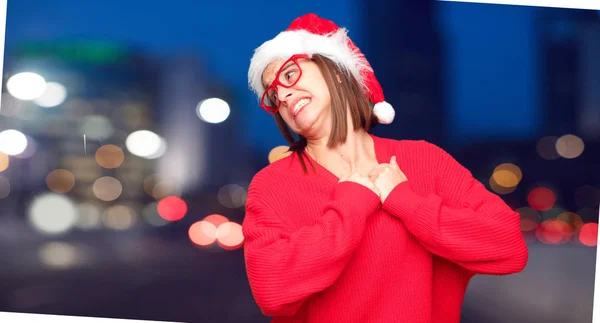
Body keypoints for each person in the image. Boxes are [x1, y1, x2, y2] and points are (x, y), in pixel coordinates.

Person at [242, 13, 528, 323]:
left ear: (336, 71)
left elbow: (509, 245)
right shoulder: (273, 184)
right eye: (272, 96)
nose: (282, 95)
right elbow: (271, 291)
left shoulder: (425, 160)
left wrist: (407, 203)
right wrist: (351, 204)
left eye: (288, 76)